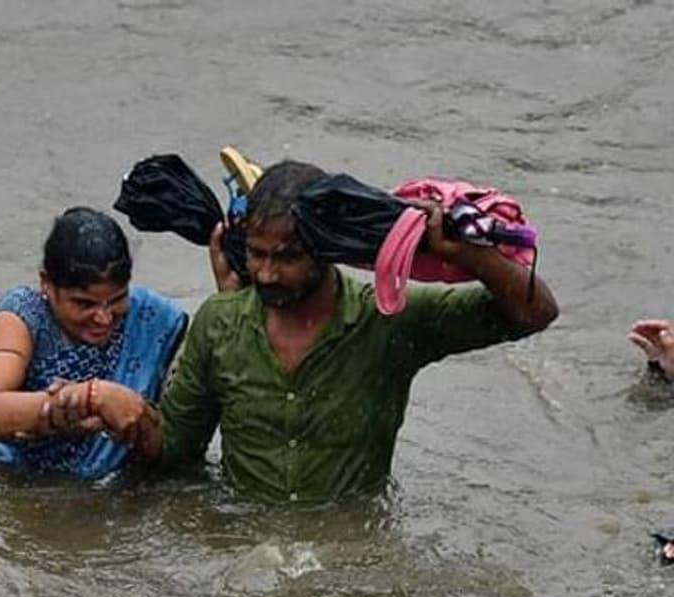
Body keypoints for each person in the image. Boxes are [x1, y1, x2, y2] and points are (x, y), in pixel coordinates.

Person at [136, 159, 559, 503]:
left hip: (354, 549)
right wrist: (124, 415)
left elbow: (535, 313)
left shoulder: (389, 319)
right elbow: (177, 450)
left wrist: (468, 255)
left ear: (328, 249)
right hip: (247, 545)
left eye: (286, 257)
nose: (265, 273)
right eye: (256, 254)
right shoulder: (219, 323)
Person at [0, 207, 187, 478]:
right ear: (46, 284)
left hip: (121, 485)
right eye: (84, 304)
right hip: (23, 481)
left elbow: (179, 438)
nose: (104, 318)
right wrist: (89, 399)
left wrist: (137, 416)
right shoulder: (22, 316)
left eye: (117, 299)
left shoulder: (153, 318)